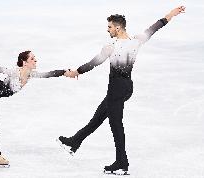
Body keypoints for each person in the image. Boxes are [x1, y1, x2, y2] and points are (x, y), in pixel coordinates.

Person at [58, 6, 186, 174]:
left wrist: (76, 72)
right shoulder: (136, 40)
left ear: (118, 28)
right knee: (98, 117)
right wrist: (171, 14)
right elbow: (156, 26)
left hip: (116, 89)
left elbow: (93, 63)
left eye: (110, 26)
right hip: (126, 87)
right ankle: (75, 141)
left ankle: (122, 162)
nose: (108, 29)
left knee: (116, 125)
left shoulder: (111, 46)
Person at [0, 49, 69, 166]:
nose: (35, 60)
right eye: (32, 58)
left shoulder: (31, 74)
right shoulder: (14, 72)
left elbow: (49, 74)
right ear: (24, 62)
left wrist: (65, 72)